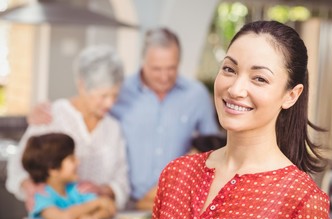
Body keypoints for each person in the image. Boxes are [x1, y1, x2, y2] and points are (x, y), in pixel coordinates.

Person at [150, 20, 332, 219]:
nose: (236, 89)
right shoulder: (177, 174)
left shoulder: (302, 201)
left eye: (259, 78)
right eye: (229, 69)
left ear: (291, 95)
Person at [26, 28, 220, 207]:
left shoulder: (197, 96)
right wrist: (43, 111)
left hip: (177, 203)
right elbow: (85, 103)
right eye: (156, 69)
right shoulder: (120, 89)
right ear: (142, 61)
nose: (164, 77)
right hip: (127, 204)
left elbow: (213, 150)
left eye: (171, 68)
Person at [6, 45, 129, 209]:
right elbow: (16, 167)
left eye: (115, 95)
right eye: (103, 96)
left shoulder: (113, 128)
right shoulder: (52, 116)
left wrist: (104, 190)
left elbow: (122, 181)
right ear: (81, 85)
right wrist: (30, 188)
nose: (110, 103)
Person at [23, 133, 116, 219]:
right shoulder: (40, 195)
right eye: (72, 159)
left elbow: (110, 207)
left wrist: (94, 217)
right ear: (53, 169)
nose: (78, 162)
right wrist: (97, 202)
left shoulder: (76, 189)